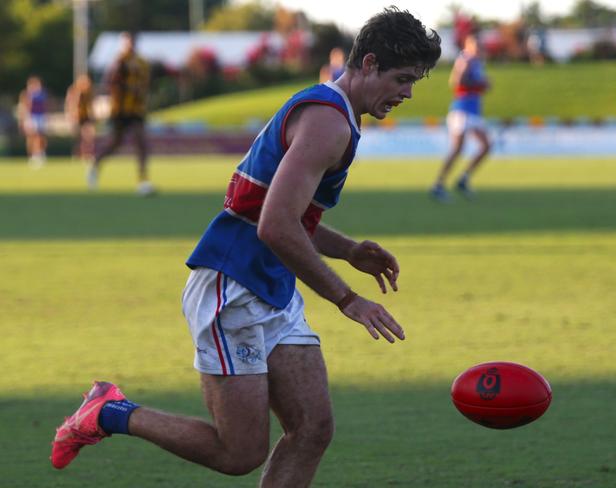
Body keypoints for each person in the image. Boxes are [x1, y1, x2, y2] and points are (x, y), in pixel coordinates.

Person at [50, 7, 441, 486]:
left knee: (313, 427)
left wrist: (348, 250)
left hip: (270, 284)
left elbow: (277, 213)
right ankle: (110, 412)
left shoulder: (333, 114)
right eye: (402, 78)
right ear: (368, 63)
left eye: (414, 82)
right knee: (238, 452)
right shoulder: (328, 122)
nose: (407, 93)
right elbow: (275, 226)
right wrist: (347, 299)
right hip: (232, 285)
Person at [87, 31, 155, 196]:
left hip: (137, 110)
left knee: (141, 143)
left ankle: (143, 181)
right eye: (127, 42)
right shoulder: (118, 61)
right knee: (115, 143)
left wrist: (142, 92)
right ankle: (95, 165)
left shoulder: (142, 62)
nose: (130, 45)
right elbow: (110, 82)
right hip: (120, 109)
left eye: (132, 41)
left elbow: (147, 84)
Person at [431, 34, 491, 203]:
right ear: (469, 46)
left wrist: (484, 85)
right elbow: (457, 82)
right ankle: (438, 185)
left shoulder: (478, 63)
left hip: (473, 112)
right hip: (462, 111)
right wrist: (480, 84)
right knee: (458, 148)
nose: (479, 48)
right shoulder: (466, 59)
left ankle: (463, 179)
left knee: (486, 145)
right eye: (476, 45)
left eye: (480, 45)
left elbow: (476, 84)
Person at [17, 76, 48, 168]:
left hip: (40, 117)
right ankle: (32, 155)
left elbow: (46, 105)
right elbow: (24, 107)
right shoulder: (26, 94)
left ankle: (40, 153)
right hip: (31, 117)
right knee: (31, 137)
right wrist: (23, 119)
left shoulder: (42, 94)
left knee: (40, 136)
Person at [65, 74, 96, 162]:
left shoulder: (89, 92)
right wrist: (71, 116)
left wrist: (93, 116)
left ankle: (88, 154)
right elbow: (70, 104)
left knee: (89, 136)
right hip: (76, 117)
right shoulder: (74, 91)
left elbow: (90, 105)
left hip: (86, 117)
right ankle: (78, 154)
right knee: (78, 137)